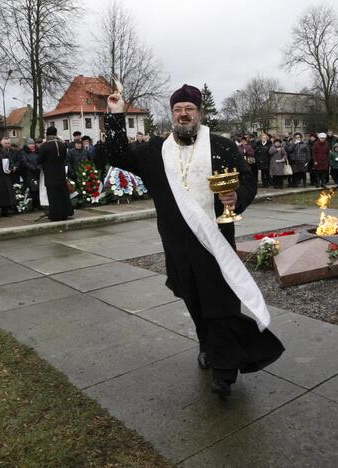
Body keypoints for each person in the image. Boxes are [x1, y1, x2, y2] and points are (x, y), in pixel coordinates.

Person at [102, 84, 283, 396]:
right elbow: (116, 154)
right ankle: (206, 345)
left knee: (222, 304)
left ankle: (224, 372)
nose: (183, 114)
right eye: (177, 109)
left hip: (214, 242)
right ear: (172, 114)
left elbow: (248, 179)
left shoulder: (222, 146)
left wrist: (237, 196)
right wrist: (116, 115)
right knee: (196, 301)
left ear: (199, 112)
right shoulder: (155, 151)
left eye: (189, 108)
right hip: (177, 245)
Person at [38, 127, 73, 221]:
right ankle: (65, 213)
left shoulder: (44, 146)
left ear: (47, 134)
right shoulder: (62, 145)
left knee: (53, 196)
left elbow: (39, 160)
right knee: (63, 194)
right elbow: (65, 157)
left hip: (50, 174)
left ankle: (55, 215)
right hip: (61, 173)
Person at [0, 137, 17, 217]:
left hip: (4, 174)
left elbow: (9, 161)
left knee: (5, 193)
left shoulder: (3, 151)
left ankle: (5, 210)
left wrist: (10, 169)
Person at [19, 138, 40, 209]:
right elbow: (24, 162)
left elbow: (40, 159)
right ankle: (33, 205)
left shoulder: (38, 151)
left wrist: (39, 167)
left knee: (38, 189)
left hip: (38, 172)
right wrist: (33, 168)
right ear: (27, 145)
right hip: (29, 173)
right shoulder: (23, 152)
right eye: (30, 144)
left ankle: (39, 204)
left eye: (33, 144)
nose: (32, 145)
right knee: (32, 189)